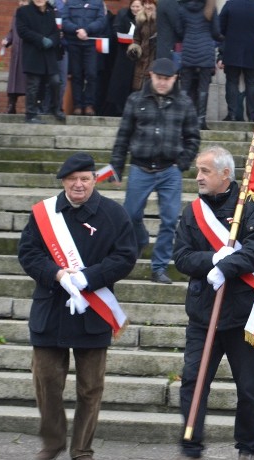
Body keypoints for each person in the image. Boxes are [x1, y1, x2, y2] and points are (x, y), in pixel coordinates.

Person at [157, 146, 254, 460]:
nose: (198, 177)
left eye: (205, 171)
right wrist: (212, 260)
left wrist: (228, 265)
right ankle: (191, 451)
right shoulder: (192, 212)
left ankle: (248, 450)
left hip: (242, 314)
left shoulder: (250, 207)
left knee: (248, 386)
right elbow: (180, 256)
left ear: (225, 174)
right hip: (203, 313)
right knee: (192, 383)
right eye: (198, 170)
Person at [17, 152, 137, 460]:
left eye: (85, 178)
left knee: (90, 387)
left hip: (93, 311)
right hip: (51, 309)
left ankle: (82, 448)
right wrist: (56, 273)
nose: (78, 184)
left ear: (94, 180)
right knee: (47, 382)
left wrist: (88, 277)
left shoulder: (114, 214)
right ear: (64, 182)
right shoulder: (44, 214)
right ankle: (53, 442)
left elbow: (125, 256)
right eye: (72, 179)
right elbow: (28, 253)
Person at [109, 57, 199, 284]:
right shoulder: (135, 100)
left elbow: (193, 137)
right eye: (159, 78)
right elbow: (123, 136)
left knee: (169, 221)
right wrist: (116, 168)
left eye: (167, 79)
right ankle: (139, 243)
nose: (162, 83)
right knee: (130, 216)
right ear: (151, 76)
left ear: (175, 79)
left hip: (170, 169)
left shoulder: (184, 102)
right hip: (140, 166)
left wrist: (183, 162)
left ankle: (159, 267)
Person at [218, 0, 254, 123]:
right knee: (252, 83)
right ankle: (252, 116)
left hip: (232, 49)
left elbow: (220, 27)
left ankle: (232, 114)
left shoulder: (230, 5)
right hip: (251, 50)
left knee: (231, 82)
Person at [16, 0, 63, 124]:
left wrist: (52, 40)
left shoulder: (51, 12)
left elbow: (56, 32)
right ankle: (30, 114)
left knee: (55, 82)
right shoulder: (23, 11)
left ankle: (55, 109)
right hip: (33, 53)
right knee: (33, 85)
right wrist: (40, 39)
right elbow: (22, 31)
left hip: (48, 54)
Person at [178, 0, 221, 131]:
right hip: (205, 50)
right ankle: (200, 120)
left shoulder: (182, 7)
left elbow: (179, 30)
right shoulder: (210, 7)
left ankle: (183, 119)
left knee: (185, 85)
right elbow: (215, 31)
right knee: (203, 86)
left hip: (188, 49)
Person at [62, 0, 107, 116]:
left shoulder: (98, 2)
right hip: (74, 43)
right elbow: (65, 21)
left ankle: (89, 105)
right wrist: (77, 30)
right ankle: (77, 105)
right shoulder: (69, 2)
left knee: (91, 74)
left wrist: (87, 30)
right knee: (76, 75)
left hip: (91, 44)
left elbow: (101, 21)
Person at [103, 0, 141, 115]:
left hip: (139, 58)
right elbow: (116, 32)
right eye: (133, 6)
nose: (135, 9)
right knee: (121, 84)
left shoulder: (145, 20)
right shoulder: (123, 16)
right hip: (124, 56)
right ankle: (120, 109)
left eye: (138, 7)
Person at [1, 0, 28, 115]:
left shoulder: (33, 14)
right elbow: (13, 31)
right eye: (21, 1)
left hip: (29, 51)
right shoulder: (17, 13)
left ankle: (32, 107)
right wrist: (7, 39)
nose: (22, 3)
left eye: (25, 1)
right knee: (14, 80)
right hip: (17, 51)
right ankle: (11, 105)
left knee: (30, 81)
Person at [127, 0, 156, 92]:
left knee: (152, 89)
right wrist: (134, 49)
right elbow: (136, 38)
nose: (147, 6)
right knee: (138, 89)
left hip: (154, 59)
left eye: (150, 3)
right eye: (145, 3)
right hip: (142, 60)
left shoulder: (160, 20)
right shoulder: (140, 19)